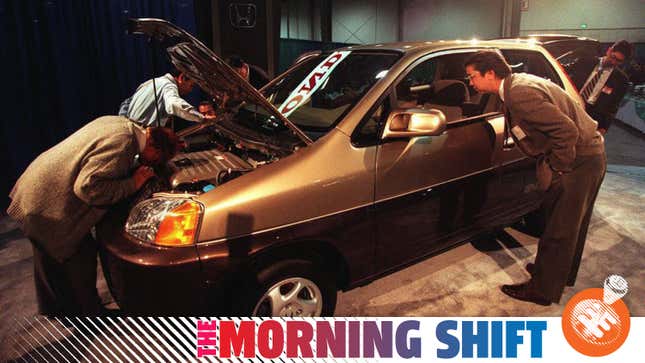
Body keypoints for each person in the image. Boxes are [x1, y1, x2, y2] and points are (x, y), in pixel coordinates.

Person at [464, 51, 606, 306]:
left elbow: (566, 132)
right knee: (570, 225)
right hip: (589, 155)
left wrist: (559, 168)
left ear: (490, 73)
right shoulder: (517, 83)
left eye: (473, 76)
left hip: (579, 160)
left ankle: (542, 290)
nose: (471, 83)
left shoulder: (519, 93)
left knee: (558, 229)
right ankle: (555, 275)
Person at [6, 116, 180, 315]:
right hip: (45, 203)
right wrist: (133, 183)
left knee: (45, 250)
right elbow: (87, 188)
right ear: (154, 147)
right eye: (156, 159)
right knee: (82, 254)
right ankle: (90, 314)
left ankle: (53, 308)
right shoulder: (124, 144)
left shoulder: (123, 124)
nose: (152, 163)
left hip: (34, 188)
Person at [567, 40, 633, 134]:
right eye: (613, 57)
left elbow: (613, 106)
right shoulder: (584, 62)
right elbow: (562, 72)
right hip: (570, 105)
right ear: (609, 51)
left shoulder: (621, 80)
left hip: (591, 116)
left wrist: (604, 127)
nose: (613, 62)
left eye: (619, 61)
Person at [119, 69, 214, 127]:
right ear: (182, 77)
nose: (190, 90)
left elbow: (126, 104)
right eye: (191, 85)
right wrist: (202, 118)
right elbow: (174, 104)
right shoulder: (168, 86)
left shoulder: (150, 82)